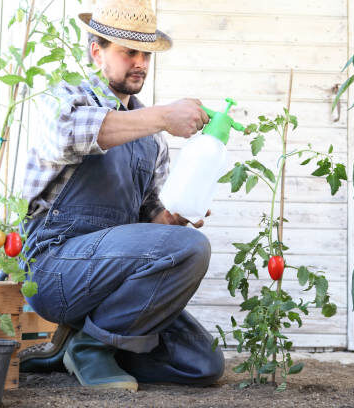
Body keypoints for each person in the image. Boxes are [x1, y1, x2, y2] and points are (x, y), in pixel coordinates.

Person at [18, 0, 224, 391]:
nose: (141, 63)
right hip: (55, 269)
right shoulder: (62, 99)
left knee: (202, 363)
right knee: (192, 247)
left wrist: (175, 217)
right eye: (129, 51)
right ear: (97, 51)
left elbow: (149, 228)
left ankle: (81, 343)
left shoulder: (152, 142)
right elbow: (68, 135)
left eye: (145, 53)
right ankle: (90, 346)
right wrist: (164, 115)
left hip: (110, 277)